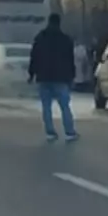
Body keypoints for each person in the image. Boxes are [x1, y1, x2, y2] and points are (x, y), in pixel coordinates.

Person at [28, 12, 79, 142]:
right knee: (65, 106)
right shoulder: (65, 39)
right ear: (59, 23)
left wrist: (31, 74)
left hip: (43, 77)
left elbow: (34, 57)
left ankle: (50, 132)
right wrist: (72, 77)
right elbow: (70, 60)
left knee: (46, 107)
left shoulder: (40, 37)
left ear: (49, 22)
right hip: (61, 78)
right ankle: (70, 132)